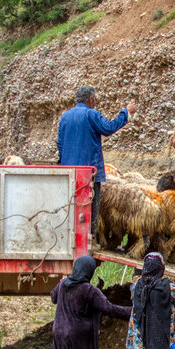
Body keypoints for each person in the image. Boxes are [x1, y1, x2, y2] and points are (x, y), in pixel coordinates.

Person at [57, 86, 137, 241]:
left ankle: (69, 238)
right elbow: (108, 128)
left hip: (69, 171)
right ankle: (88, 238)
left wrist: (64, 162)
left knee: (71, 204)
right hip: (89, 171)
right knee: (91, 205)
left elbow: (60, 144)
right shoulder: (90, 114)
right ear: (91, 99)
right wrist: (126, 113)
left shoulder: (65, 116)